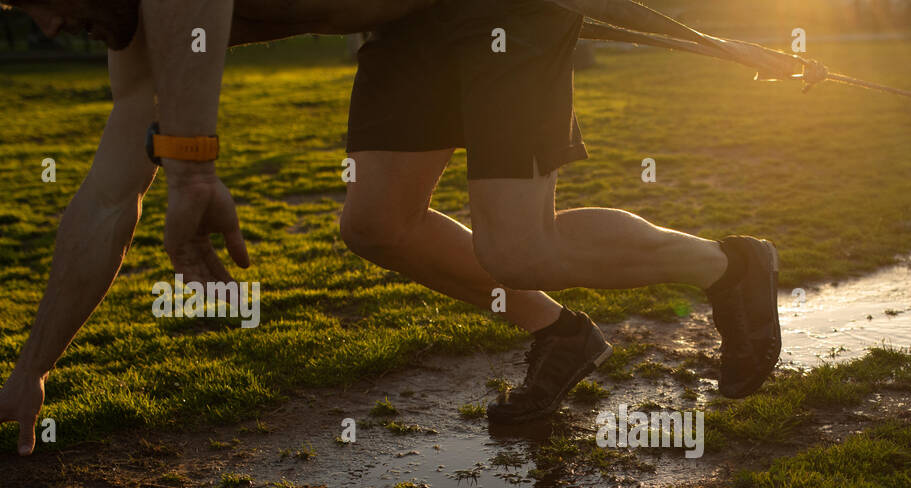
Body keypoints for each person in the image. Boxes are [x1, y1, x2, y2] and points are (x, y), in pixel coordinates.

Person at [0, 0, 780, 454]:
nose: (42, 22)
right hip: (408, 27)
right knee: (375, 224)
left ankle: (731, 267)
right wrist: (29, 370)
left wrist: (196, 170)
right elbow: (107, 200)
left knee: (516, 247)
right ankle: (562, 334)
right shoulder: (129, 30)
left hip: (502, 12)